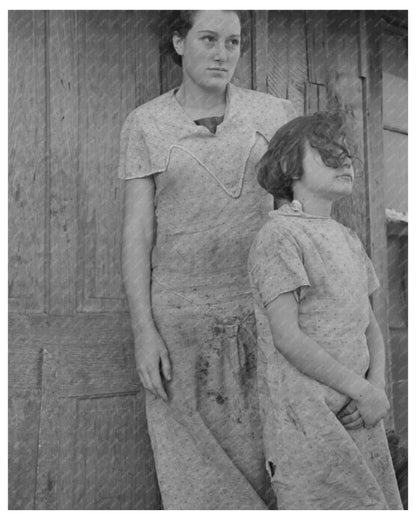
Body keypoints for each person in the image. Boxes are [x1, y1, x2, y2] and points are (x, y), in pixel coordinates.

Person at [118, 10, 296, 509]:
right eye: (209, 39)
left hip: (260, 315)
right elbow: (137, 234)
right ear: (178, 42)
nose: (223, 54)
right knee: (192, 476)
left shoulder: (274, 114)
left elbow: (294, 216)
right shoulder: (146, 124)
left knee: (270, 462)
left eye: (234, 42)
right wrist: (143, 331)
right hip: (179, 325)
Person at [248, 111, 403, 509]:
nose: (345, 161)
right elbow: (287, 337)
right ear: (288, 166)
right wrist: (362, 389)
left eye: (346, 154)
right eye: (327, 154)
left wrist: (377, 390)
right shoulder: (279, 236)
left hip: (360, 413)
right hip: (309, 420)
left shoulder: (348, 239)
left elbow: (370, 328)